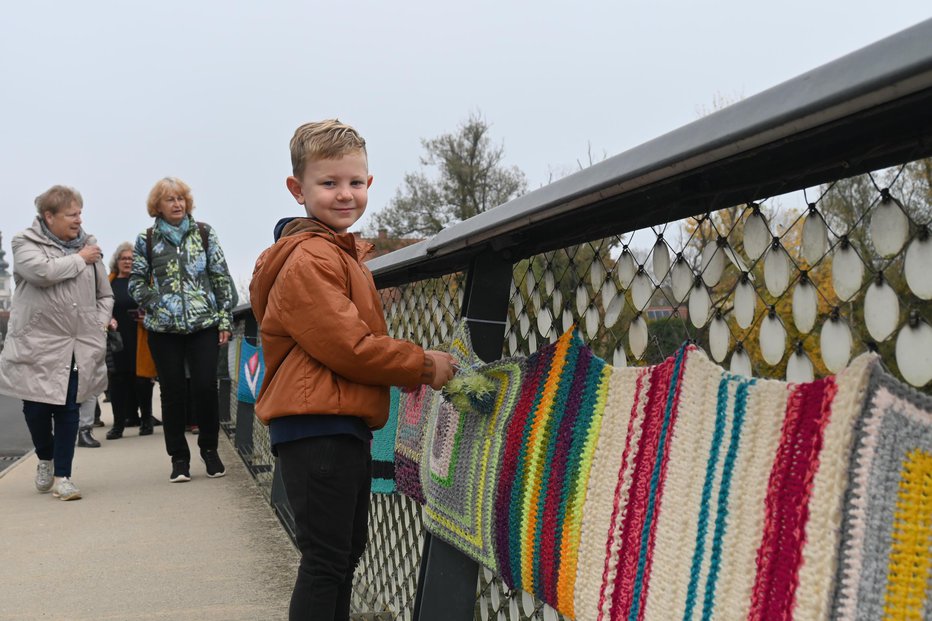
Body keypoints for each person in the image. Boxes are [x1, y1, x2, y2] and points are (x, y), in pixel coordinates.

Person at [249, 119, 456, 620]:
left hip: (331, 422)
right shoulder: (310, 260)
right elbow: (352, 349)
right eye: (329, 183)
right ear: (297, 189)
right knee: (326, 561)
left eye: (355, 183)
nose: (345, 195)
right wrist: (425, 364)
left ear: (369, 184)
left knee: (340, 556)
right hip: (319, 425)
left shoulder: (332, 253)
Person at [0, 185, 113, 501]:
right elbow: (41, 272)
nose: (79, 220)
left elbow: (105, 294)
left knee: (68, 408)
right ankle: (45, 459)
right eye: (71, 214)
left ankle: (64, 476)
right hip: (35, 343)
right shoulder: (25, 242)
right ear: (49, 217)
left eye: (80, 213)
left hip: (75, 343)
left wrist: (99, 322)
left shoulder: (90, 247)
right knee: (35, 409)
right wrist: (79, 259)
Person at [128, 177, 236, 482]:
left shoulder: (203, 233)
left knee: (205, 388)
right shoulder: (146, 239)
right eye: (170, 200)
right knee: (172, 392)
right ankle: (179, 459)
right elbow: (136, 282)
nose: (177, 204)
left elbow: (220, 277)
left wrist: (225, 319)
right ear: (157, 207)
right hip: (163, 330)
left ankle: (210, 451)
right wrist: (158, 303)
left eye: (181, 199)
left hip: (204, 324)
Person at [106, 242, 158, 439]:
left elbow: (154, 303)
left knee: (142, 381)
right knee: (117, 381)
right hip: (116, 338)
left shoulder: (144, 281)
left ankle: (146, 421)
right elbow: (100, 305)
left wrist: (148, 316)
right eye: (124, 258)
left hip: (140, 336)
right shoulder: (108, 282)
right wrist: (106, 319)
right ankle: (118, 425)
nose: (127, 262)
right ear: (117, 261)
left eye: (131, 259)